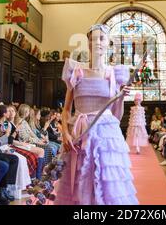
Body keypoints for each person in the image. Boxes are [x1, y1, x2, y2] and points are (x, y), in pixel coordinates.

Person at [54, 24, 138, 205]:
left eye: (102, 38)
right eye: (93, 38)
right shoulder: (76, 71)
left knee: (106, 184)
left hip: (106, 136)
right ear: (88, 42)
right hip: (78, 133)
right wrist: (65, 133)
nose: (97, 42)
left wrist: (121, 97)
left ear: (108, 43)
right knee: (79, 183)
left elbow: (116, 116)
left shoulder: (115, 74)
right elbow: (66, 109)